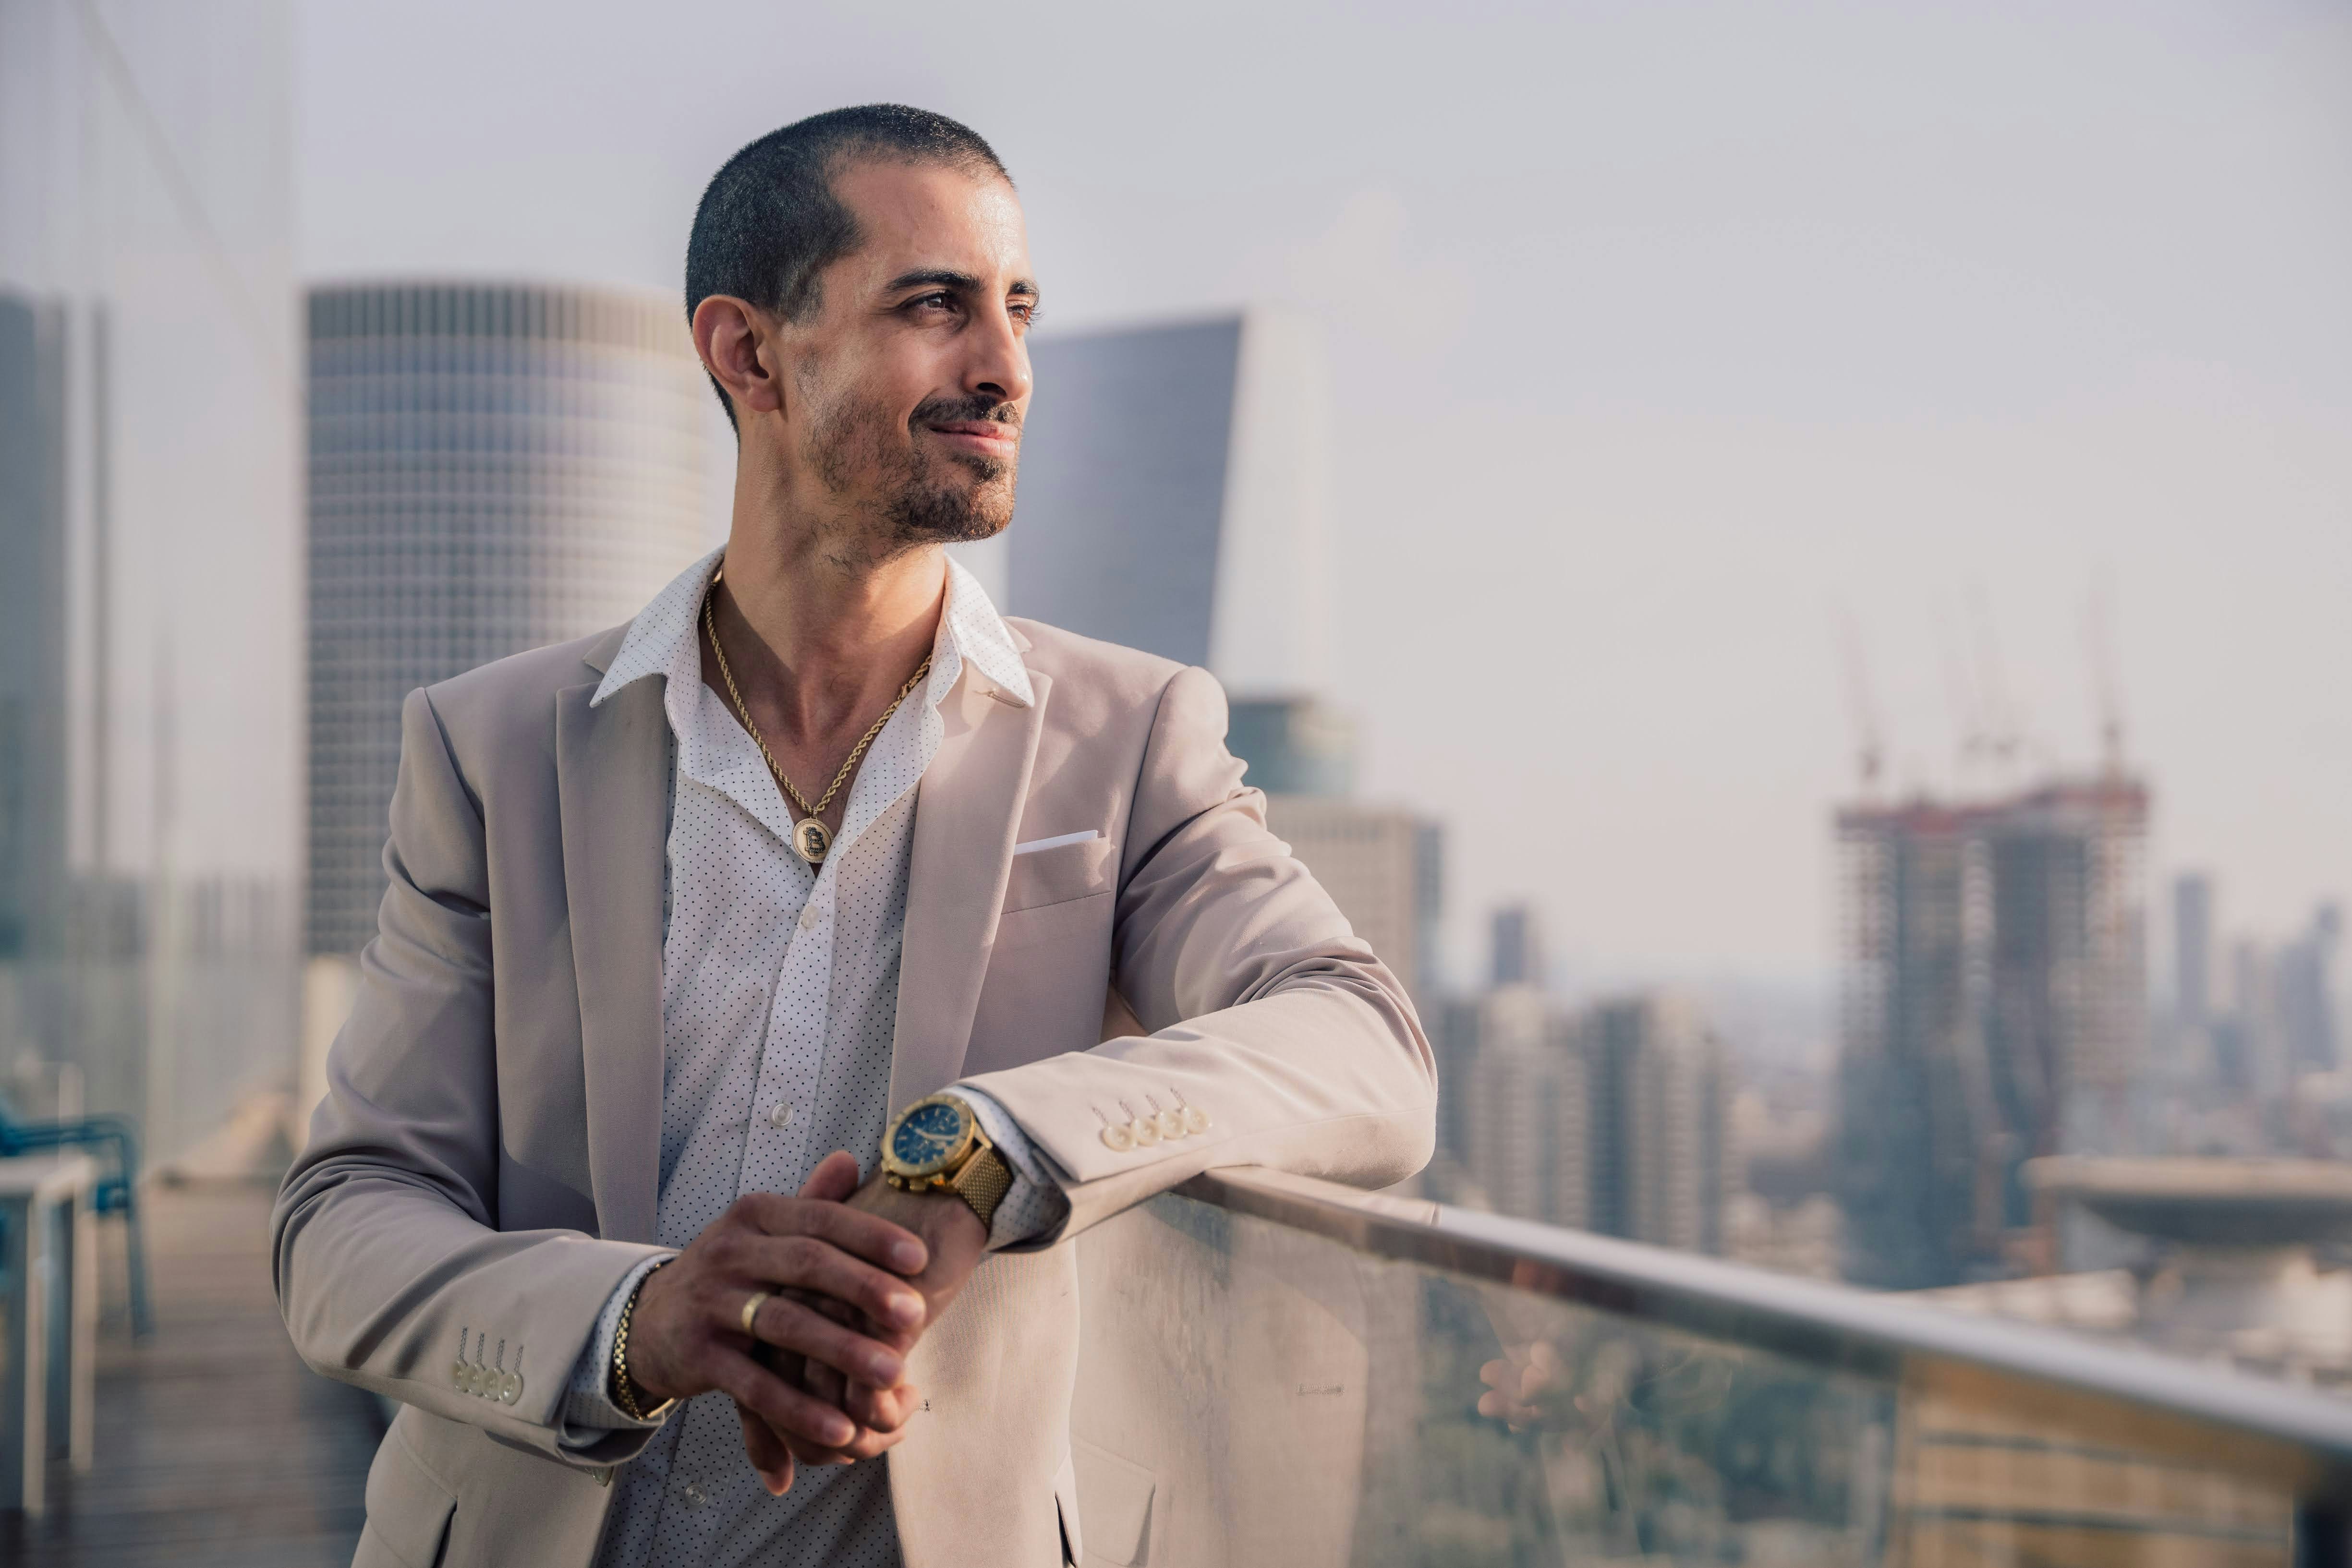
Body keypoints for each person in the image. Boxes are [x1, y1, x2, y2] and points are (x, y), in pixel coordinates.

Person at [273, 104, 1435, 1568]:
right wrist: (634, 1322)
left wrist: (989, 1151)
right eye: (934, 305)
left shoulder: (1130, 738)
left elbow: (1363, 1045)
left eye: (1018, 308)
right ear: (750, 353)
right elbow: (345, 1219)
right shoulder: (490, 745)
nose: (1005, 366)